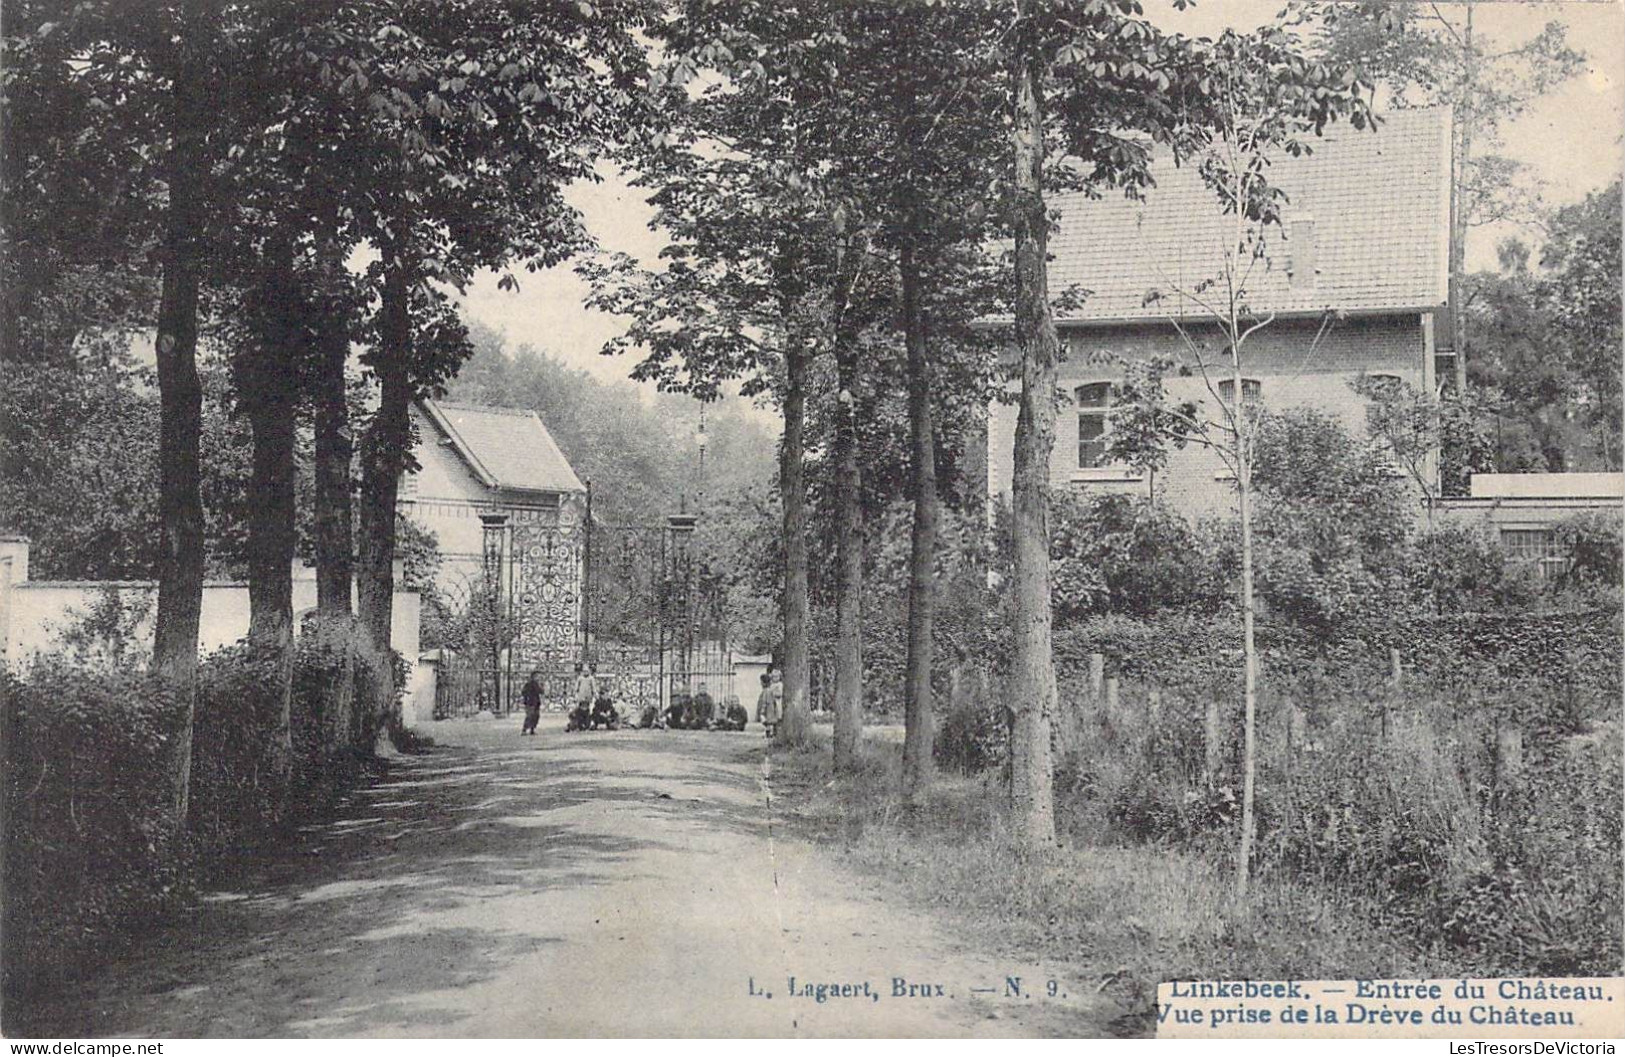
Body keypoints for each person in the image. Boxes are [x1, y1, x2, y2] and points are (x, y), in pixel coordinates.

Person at [756, 671, 781, 739]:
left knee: (768, 722)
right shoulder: (768, 690)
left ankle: (770, 734)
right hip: (770, 708)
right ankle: (770, 733)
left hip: (769, 709)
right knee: (768, 722)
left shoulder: (767, 691)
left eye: (761, 682)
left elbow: (766, 701)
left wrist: (763, 710)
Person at [520, 670, 543, 735]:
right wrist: (526, 699)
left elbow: (541, 691)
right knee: (530, 716)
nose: (538, 678)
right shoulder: (529, 684)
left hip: (536, 702)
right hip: (530, 702)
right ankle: (524, 729)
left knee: (536, 716)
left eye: (538, 677)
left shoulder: (537, 684)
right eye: (536, 676)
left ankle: (532, 729)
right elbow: (524, 692)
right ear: (532, 677)